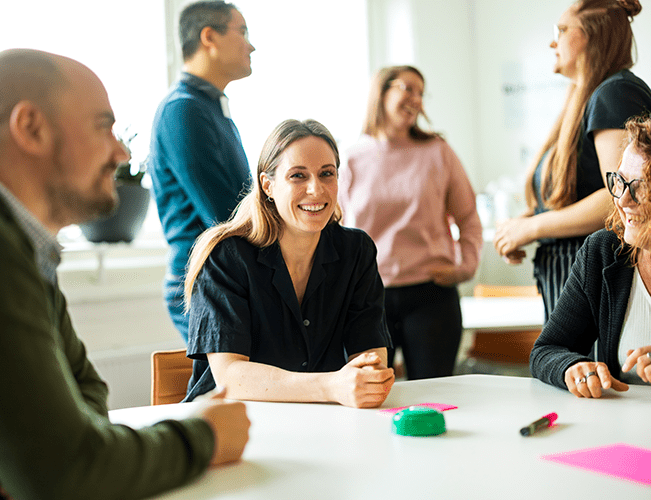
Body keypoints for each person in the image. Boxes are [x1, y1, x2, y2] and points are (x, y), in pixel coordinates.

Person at [0, 48, 250, 500]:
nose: (121, 152)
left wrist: (55, 455)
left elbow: (85, 388)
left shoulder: (10, 237)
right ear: (31, 127)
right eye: (103, 126)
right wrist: (203, 438)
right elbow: (66, 473)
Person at [182, 119, 395, 407]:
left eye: (326, 174)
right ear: (267, 185)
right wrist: (332, 386)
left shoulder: (356, 250)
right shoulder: (226, 256)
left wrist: (366, 378)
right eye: (298, 176)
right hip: (226, 424)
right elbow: (230, 376)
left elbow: (369, 354)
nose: (316, 190)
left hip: (320, 419)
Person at [494, 0, 651, 320]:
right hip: (569, 269)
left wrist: (532, 228)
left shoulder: (615, 93)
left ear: (594, 35)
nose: (553, 41)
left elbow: (620, 198)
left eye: (562, 30)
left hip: (590, 270)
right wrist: (524, 223)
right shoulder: (591, 96)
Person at [339, 66, 483, 380]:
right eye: (408, 88)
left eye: (421, 92)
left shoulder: (438, 152)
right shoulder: (349, 159)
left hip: (432, 295)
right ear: (382, 92)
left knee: (435, 396)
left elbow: (468, 218)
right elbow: (333, 233)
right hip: (368, 297)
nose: (416, 99)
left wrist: (467, 266)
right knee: (370, 396)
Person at [148, 0, 255, 344]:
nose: (251, 45)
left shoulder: (210, 108)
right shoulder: (184, 110)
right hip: (207, 282)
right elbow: (225, 214)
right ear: (209, 36)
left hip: (224, 278)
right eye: (242, 32)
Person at [530, 115, 651, 398]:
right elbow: (546, 350)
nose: (623, 200)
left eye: (642, 187)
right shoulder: (604, 253)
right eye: (620, 181)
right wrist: (571, 367)